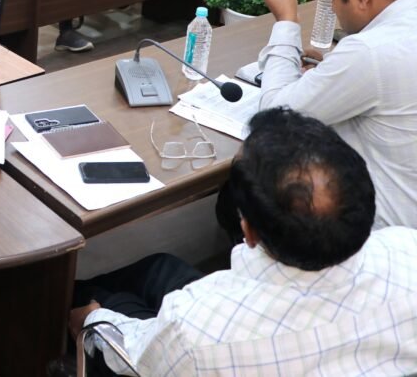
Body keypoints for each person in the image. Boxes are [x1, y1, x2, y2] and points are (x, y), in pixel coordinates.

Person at [69, 107, 417, 375]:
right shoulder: (407, 249)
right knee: (159, 269)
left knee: (88, 299)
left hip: (167, 354)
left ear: (247, 230)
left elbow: (134, 358)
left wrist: (90, 320)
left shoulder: (197, 330)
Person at [254, 0, 417, 229]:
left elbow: (272, 118)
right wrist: (331, 66)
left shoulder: (369, 51)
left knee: (251, 184)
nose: (332, 9)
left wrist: (286, 21)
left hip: (384, 230)